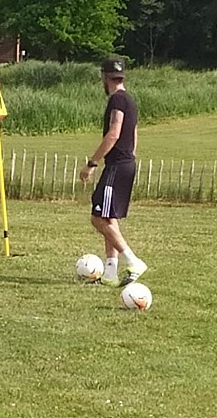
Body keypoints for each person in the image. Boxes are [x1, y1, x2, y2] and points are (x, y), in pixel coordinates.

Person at [79, 58, 147, 287]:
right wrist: (130, 157)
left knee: (97, 217)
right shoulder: (130, 100)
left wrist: (92, 163)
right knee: (109, 217)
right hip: (127, 163)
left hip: (117, 165)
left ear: (105, 77)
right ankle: (110, 273)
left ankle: (133, 260)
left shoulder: (117, 100)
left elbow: (114, 132)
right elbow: (134, 134)